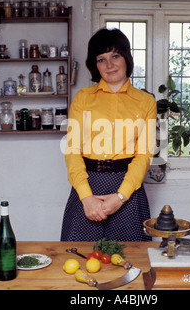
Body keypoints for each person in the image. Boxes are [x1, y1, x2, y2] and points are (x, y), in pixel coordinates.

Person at [60, 28, 157, 242]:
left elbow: (144, 155)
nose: (109, 65)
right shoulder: (83, 99)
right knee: (79, 259)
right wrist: (86, 197)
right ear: (95, 66)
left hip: (128, 191)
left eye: (115, 56)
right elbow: (72, 150)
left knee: (131, 263)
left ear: (126, 58)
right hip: (87, 189)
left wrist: (121, 197)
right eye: (101, 59)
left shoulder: (146, 102)